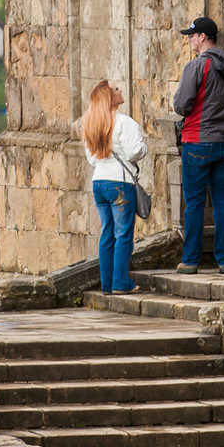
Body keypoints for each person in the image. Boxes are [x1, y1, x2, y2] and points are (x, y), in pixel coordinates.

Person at [172, 16, 224, 275]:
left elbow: (182, 105)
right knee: (223, 201)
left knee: (194, 202)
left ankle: (191, 260)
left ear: (202, 37)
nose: (190, 40)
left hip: (198, 142)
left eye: (191, 35)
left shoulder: (196, 67)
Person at [75, 79, 147, 294]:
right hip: (120, 184)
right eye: (116, 89)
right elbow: (135, 152)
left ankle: (107, 283)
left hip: (99, 182)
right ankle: (121, 283)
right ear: (109, 97)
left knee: (107, 233)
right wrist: (143, 146)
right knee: (123, 234)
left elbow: (92, 159)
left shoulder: (90, 124)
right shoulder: (124, 122)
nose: (120, 90)